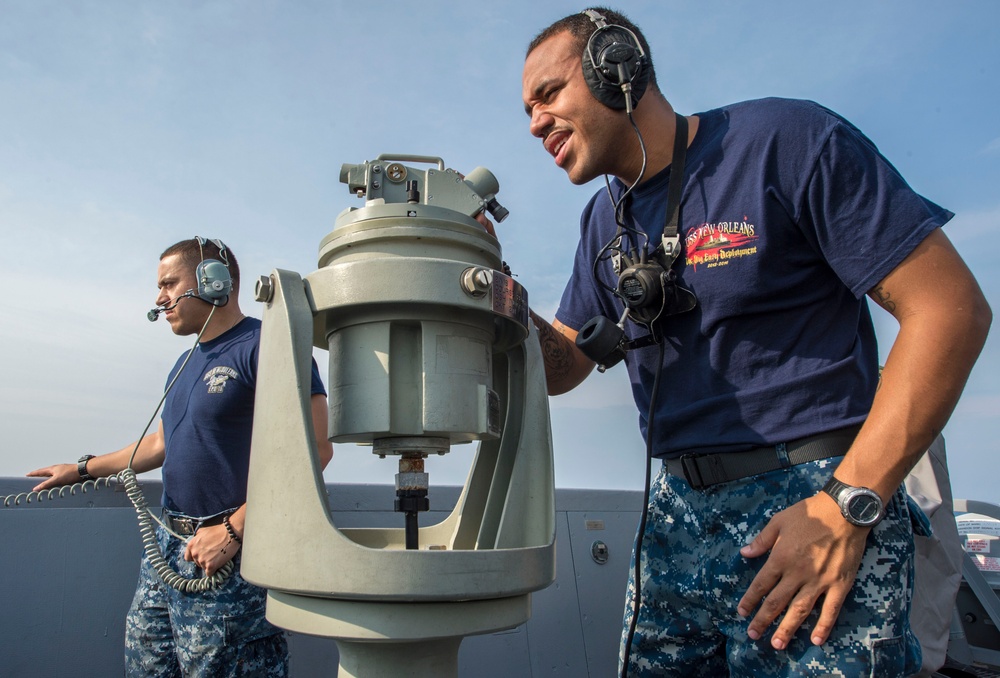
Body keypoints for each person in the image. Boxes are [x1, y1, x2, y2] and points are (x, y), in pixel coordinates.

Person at [518, 7, 991, 677]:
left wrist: (846, 506)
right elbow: (563, 365)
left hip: (810, 506)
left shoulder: (785, 140)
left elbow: (950, 309)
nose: (534, 122)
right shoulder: (605, 219)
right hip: (676, 519)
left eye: (548, 94)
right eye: (527, 109)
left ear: (617, 65)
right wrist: (498, 299)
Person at [28, 237, 334, 677]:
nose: (160, 297)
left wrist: (234, 529)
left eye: (170, 283)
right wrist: (79, 469)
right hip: (166, 553)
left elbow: (317, 450)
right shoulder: (182, 363)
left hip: (229, 554)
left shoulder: (267, 346)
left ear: (214, 282)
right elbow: (161, 445)